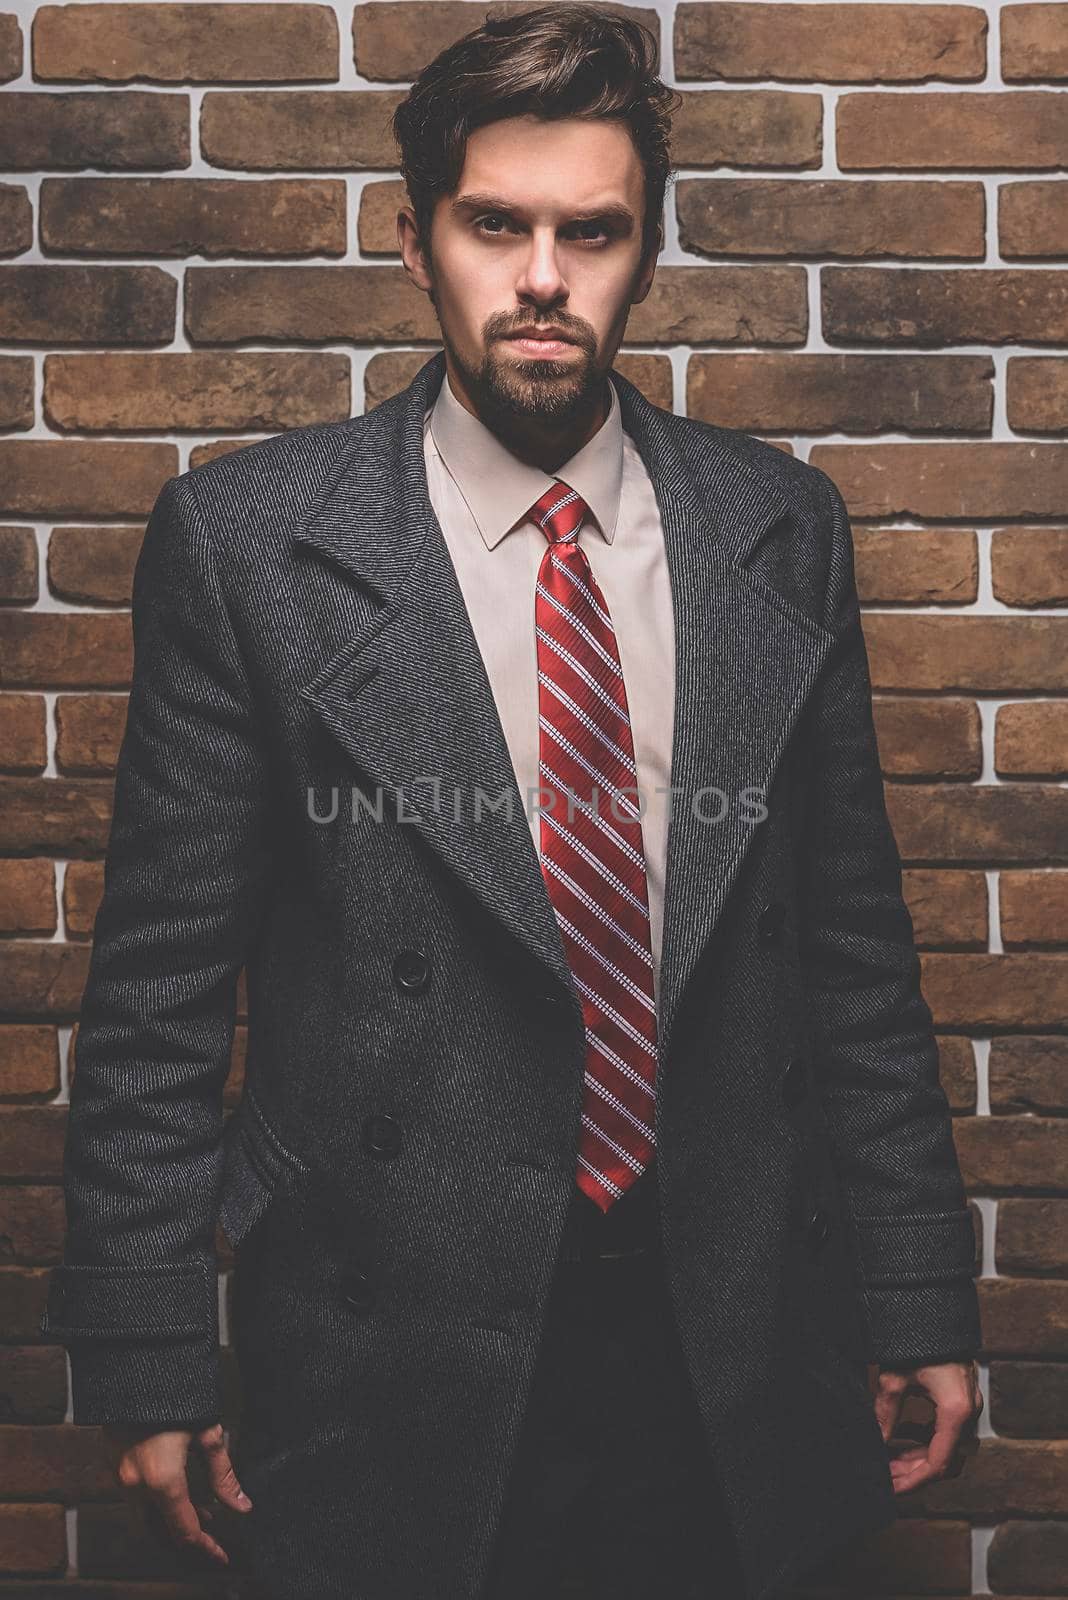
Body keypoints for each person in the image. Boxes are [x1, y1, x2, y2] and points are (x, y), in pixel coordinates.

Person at [41, 6, 983, 1598]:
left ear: (645, 253)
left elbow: (852, 961)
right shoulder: (249, 544)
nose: (544, 275)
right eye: (498, 224)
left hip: (726, 1308)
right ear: (416, 242)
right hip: (383, 1311)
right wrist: (145, 1350)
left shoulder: (779, 528)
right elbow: (156, 999)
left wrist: (915, 1297)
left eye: (592, 232)